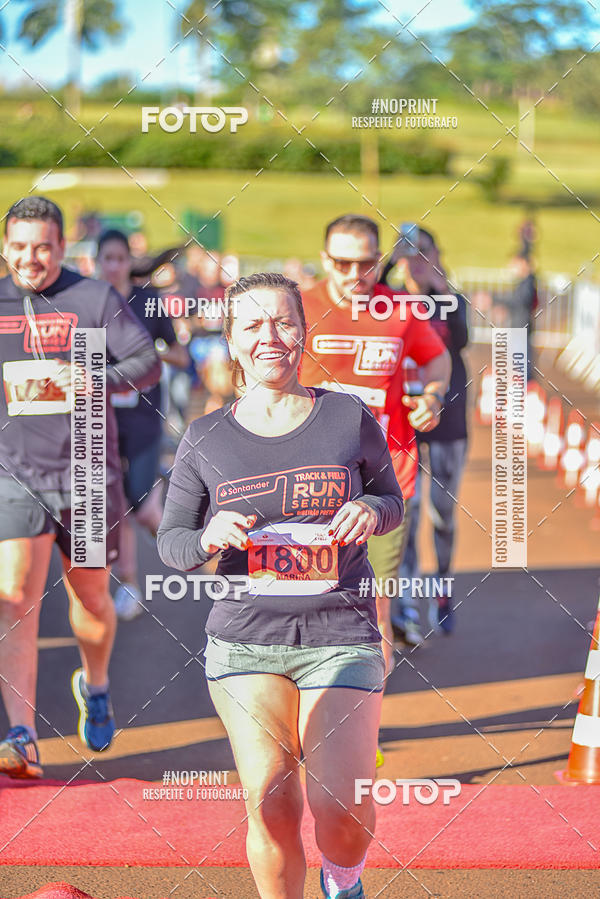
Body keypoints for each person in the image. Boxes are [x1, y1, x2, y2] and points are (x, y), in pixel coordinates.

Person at [158, 272, 404, 899]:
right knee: (271, 799)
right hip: (246, 642)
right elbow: (174, 544)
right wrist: (211, 537)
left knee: (340, 813)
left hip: (340, 636)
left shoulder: (347, 415)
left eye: (283, 322)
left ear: (302, 331)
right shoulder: (206, 438)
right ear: (232, 342)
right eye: (252, 325)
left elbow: (390, 497)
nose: (270, 336)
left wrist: (372, 511)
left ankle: (343, 880)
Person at [0, 197, 161, 778]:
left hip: (90, 472)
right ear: (5, 246)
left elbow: (148, 362)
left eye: (42, 246)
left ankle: (95, 684)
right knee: (15, 598)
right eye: (18, 246)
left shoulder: (93, 299)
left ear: (61, 247)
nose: (30, 258)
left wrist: (92, 374)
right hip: (15, 472)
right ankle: (22, 736)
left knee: (90, 598)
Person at [300, 215, 450, 651]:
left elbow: (438, 361)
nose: (354, 275)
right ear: (324, 260)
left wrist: (433, 397)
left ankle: (369, 710)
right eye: (342, 263)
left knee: (375, 606)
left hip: (386, 480)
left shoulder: (400, 311)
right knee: (307, 602)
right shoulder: (299, 307)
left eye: (365, 263)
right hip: (311, 480)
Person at [96, 229, 189, 620]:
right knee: (116, 505)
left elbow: (182, 357)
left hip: (144, 418)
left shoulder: (148, 301)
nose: (115, 266)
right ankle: (129, 585)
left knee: (141, 504)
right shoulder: (85, 302)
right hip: (101, 418)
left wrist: (145, 357)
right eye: (107, 259)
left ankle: (196, 556)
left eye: (121, 258)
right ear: (96, 262)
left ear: (129, 261)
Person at [384, 228, 468, 635]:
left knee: (443, 513)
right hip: (404, 422)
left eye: (424, 251)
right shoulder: (390, 300)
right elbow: (367, 297)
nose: (415, 259)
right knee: (407, 514)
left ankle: (443, 593)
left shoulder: (448, 297)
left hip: (448, 423)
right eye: (409, 252)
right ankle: (405, 606)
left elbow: (463, 338)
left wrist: (438, 284)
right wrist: (391, 257)